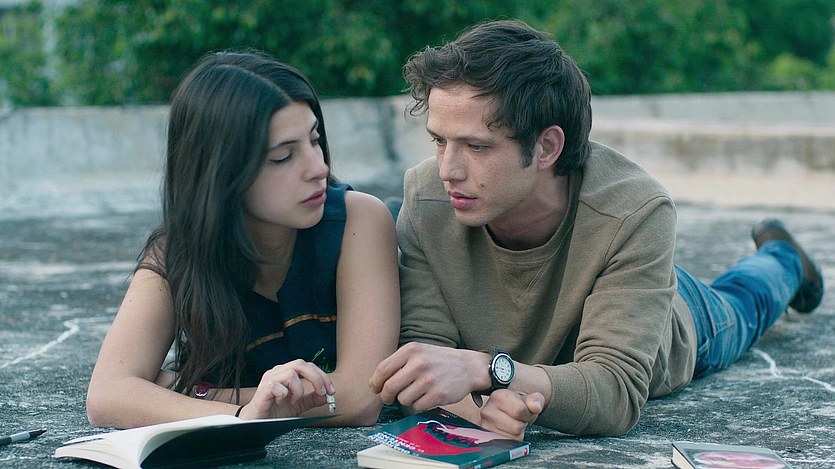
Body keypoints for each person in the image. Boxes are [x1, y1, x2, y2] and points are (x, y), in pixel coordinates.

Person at [369, 19, 825, 439]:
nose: (447, 170)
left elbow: (615, 391)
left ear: (547, 146)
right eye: (439, 141)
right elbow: (423, 357)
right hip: (586, 308)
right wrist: (477, 412)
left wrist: (493, 374)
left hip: (667, 323)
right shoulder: (426, 197)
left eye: (476, 147)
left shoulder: (635, 211)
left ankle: (784, 258)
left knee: (746, 298)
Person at [86, 51, 400, 429]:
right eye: (283, 157)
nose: (318, 168)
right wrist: (245, 415)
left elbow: (359, 398)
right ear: (221, 171)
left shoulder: (358, 221)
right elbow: (107, 395)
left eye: (315, 140)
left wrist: (194, 393)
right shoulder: (178, 253)